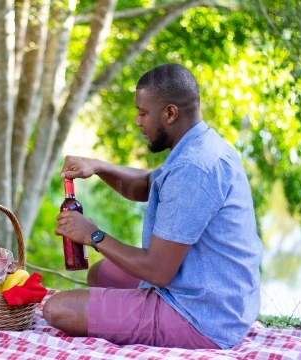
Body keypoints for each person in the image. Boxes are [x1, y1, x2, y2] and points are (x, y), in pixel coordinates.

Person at [43, 63, 263, 350]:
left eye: (143, 113)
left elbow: (158, 272)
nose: (137, 121)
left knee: (58, 309)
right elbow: (147, 186)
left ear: (170, 113)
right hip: (218, 295)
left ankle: (159, 325)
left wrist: (93, 235)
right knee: (100, 274)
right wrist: (96, 166)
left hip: (202, 317)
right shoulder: (199, 144)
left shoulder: (194, 169)